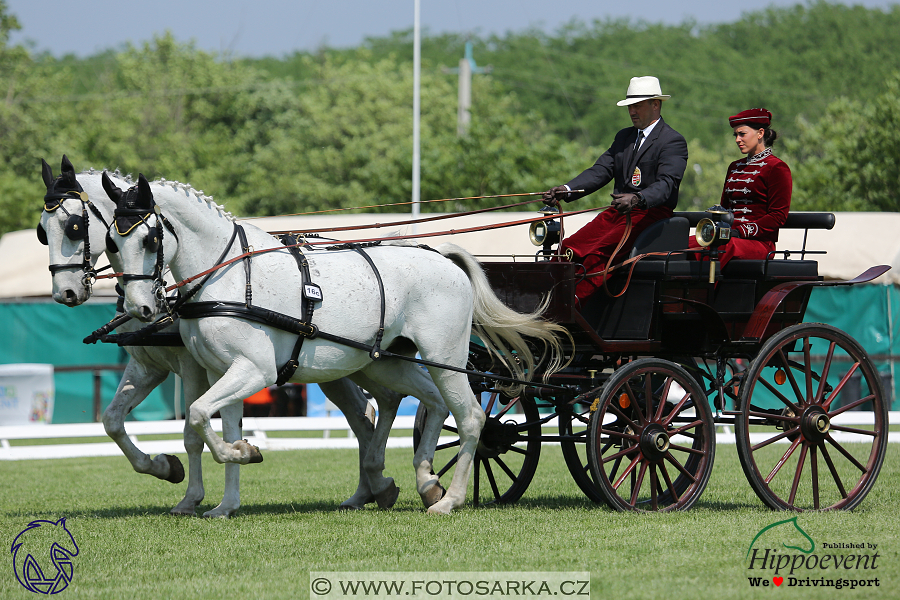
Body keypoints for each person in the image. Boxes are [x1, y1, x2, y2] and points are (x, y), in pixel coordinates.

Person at [542, 76, 688, 300]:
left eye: (637, 106)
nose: (632, 111)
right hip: (617, 213)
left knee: (598, 254)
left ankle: (570, 305)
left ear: (655, 104)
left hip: (650, 215)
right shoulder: (623, 137)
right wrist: (567, 188)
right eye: (630, 106)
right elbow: (600, 170)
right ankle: (543, 297)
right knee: (569, 248)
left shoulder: (672, 141)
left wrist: (638, 198)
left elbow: (667, 184)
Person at [691, 108, 791, 268]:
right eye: (735, 135)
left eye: (742, 134)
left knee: (721, 247)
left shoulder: (777, 167)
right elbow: (724, 208)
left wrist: (740, 231)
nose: (737, 140)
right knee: (685, 242)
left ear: (760, 133)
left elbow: (778, 215)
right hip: (728, 237)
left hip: (758, 243)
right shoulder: (734, 167)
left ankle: (705, 284)